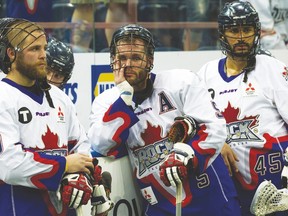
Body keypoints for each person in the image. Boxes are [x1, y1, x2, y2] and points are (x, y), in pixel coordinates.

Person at [88, 24, 241, 215]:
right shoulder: (106, 102)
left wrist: (189, 155)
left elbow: (214, 128)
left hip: (210, 198)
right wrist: (124, 99)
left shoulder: (180, 82)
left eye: (136, 58)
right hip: (159, 205)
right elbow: (102, 144)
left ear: (149, 60)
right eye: (122, 58)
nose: (127, 65)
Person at [0, 17, 112, 216]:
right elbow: (10, 165)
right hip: (19, 209)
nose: (43, 55)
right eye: (34, 49)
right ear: (11, 54)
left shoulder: (58, 96)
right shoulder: (3, 97)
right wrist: (66, 165)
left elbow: (80, 145)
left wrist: (81, 174)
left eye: (44, 48)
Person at [196, 1, 288, 215]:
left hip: (276, 187)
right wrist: (219, 142)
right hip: (229, 189)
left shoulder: (272, 68)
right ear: (222, 34)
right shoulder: (205, 74)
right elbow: (194, 123)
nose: (240, 37)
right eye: (233, 30)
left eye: (246, 30)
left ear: (256, 32)